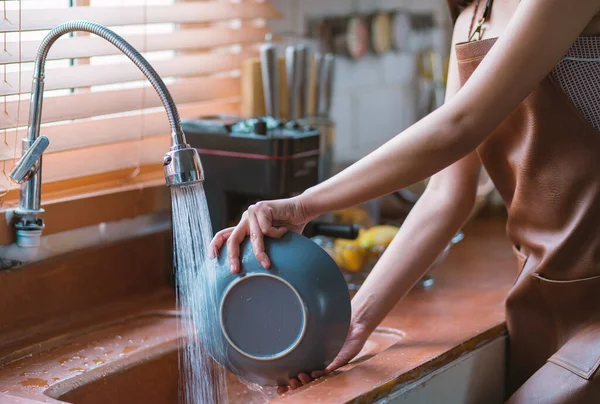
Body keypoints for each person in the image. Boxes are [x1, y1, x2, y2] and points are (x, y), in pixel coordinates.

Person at [210, 0, 600, 401]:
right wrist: (357, 322)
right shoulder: (473, 19)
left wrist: (304, 204)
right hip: (538, 303)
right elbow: (447, 194)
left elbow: (459, 126)